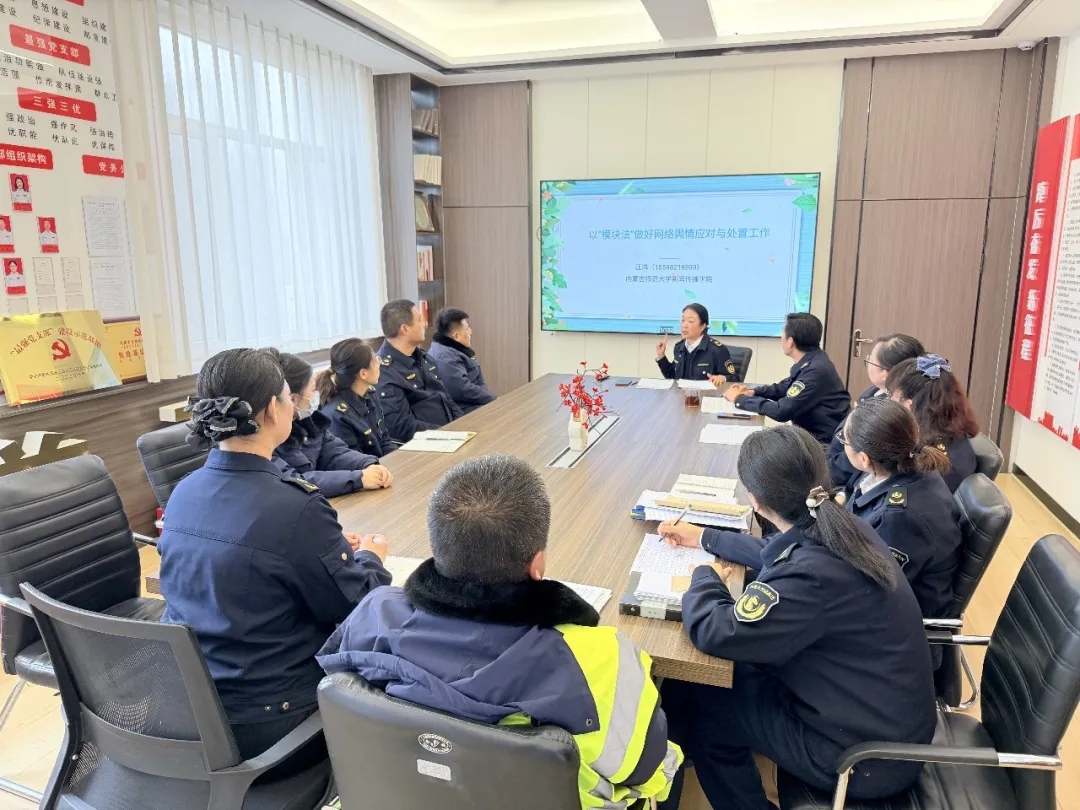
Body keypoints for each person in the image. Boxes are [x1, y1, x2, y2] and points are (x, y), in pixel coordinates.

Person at [317, 454, 683, 809]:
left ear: (438, 547)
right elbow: (644, 769)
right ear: (538, 564)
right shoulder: (601, 660)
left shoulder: (373, 614)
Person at [656, 426, 935, 810]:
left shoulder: (810, 576)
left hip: (864, 758)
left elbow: (716, 632)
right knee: (709, 687)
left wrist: (704, 578)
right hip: (879, 716)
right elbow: (775, 550)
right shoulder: (841, 524)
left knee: (710, 708)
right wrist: (706, 537)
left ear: (755, 501)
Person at [157, 347, 392, 762]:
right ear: (272, 409)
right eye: (289, 398)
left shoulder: (183, 491)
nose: (295, 407)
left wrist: (322, 548)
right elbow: (356, 605)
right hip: (275, 727)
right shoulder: (295, 506)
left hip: (190, 709)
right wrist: (371, 558)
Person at [842, 397, 962, 648]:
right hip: (878, 608)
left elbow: (872, 591)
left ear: (864, 458)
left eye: (844, 440)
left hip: (891, 637)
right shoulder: (908, 467)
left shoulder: (900, 517)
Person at [267, 349, 393, 498]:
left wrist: (367, 464)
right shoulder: (267, 439)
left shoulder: (310, 421)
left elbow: (335, 452)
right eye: (312, 391)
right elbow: (294, 482)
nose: (315, 396)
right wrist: (357, 479)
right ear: (293, 399)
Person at [724, 313, 850, 442]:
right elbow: (785, 387)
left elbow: (782, 411)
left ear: (790, 342)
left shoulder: (815, 371)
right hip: (810, 435)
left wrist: (740, 399)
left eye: (782, 333)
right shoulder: (814, 360)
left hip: (821, 443)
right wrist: (753, 392)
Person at [826, 333, 925, 486]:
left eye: (870, 361)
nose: (868, 365)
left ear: (886, 374)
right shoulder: (874, 391)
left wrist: (826, 474)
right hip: (837, 458)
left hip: (849, 474)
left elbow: (858, 457)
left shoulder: (891, 414)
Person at [886, 354, 979, 492]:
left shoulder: (934, 461)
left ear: (909, 405)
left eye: (891, 396)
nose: (888, 402)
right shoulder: (946, 431)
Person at [376, 299, 463, 442]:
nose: (425, 324)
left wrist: (463, 424)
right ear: (405, 329)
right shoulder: (384, 371)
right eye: (420, 320)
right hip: (423, 444)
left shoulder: (424, 358)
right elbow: (403, 427)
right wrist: (448, 434)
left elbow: (446, 398)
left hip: (449, 435)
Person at [316, 338, 396, 458]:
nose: (379, 363)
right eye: (375, 360)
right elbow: (353, 461)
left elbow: (384, 440)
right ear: (363, 373)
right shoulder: (337, 415)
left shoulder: (370, 394)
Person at [428, 307, 496, 413]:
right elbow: (461, 389)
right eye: (467, 329)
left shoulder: (453, 349)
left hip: (475, 402)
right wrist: (492, 398)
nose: (470, 332)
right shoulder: (444, 356)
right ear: (456, 336)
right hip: (464, 409)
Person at [656, 303, 740, 383]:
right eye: (683, 320)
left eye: (690, 321)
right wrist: (661, 356)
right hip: (683, 393)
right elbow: (672, 377)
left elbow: (735, 379)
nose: (684, 325)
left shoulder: (717, 350)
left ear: (702, 326)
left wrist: (722, 378)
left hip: (706, 393)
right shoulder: (679, 347)